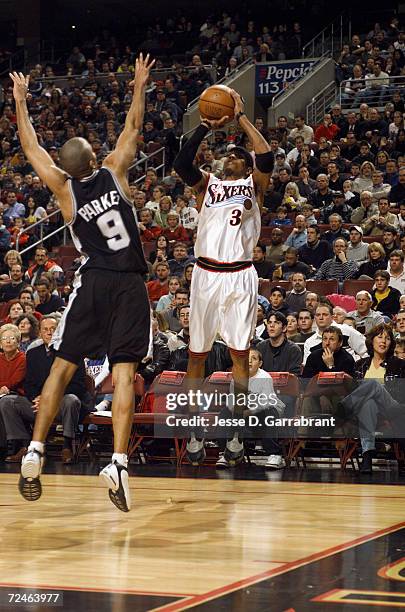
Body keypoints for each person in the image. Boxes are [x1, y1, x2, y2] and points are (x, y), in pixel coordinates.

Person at [10, 54, 155, 512]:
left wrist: (20, 103)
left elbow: (31, 148)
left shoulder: (63, 189)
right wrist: (138, 84)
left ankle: (34, 450)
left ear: (67, 166)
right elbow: (133, 127)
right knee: (126, 373)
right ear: (94, 158)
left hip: (90, 281)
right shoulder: (114, 169)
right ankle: (117, 462)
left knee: (62, 366)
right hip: (128, 282)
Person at [173, 88, 273, 466]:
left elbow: (265, 155)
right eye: (225, 155)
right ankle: (196, 429)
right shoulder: (208, 186)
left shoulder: (254, 186)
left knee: (239, 355)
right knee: (196, 355)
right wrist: (204, 126)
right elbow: (182, 164)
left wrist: (241, 118)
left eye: (235, 156)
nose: (227, 158)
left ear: (245, 168)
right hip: (205, 273)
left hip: (240, 275)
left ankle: (235, 430)